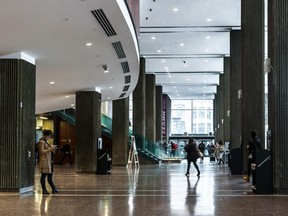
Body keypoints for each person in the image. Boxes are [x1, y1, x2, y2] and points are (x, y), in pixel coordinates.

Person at [38, 130, 58, 194]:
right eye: (49, 136)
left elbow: (47, 151)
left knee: (50, 175)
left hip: (49, 161)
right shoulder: (41, 142)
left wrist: (52, 149)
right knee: (43, 175)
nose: (49, 138)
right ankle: (44, 190)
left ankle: (54, 188)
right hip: (44, 161)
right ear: (45, 135)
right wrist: (49, 149)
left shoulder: (46, 141)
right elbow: (41, 152)